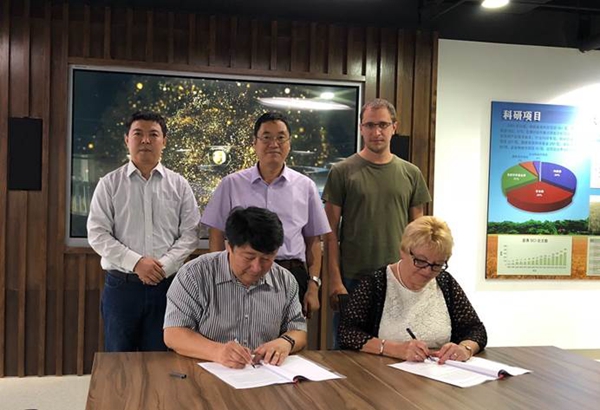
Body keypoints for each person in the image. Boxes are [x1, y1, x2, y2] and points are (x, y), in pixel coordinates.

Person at [87, 111, 200, 352]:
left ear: (164, 141)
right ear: (127, 140)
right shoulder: (109, 184)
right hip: (122, 287)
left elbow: (190, 234)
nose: (146, 140)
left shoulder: (179, 185)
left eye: (153, 134)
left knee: (162, 359)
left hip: (167, 287)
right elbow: (97, 234)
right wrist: (137, 263)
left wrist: (163, 267)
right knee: (119, 359)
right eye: (138, 133)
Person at [201, 112, 331, 318]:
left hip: (291, 274)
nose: (274, 144)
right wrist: (219, 278)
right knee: (239, 332)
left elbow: (313, 241)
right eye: (267, 137)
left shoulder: (305, 186)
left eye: (281, 137)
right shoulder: (231, 183)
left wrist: (313, 285)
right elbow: (216, 234)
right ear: (255, 143)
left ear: (289, 143)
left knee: (288, 335)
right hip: (243, 274)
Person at [323, 98, 432, 311]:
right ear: (361, 128)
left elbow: (418, 234)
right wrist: (335, 280)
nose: (376, 132)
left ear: (394, 127)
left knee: (398, 333)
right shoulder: (341, 172)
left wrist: (417, 276)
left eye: (383, 124)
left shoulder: (411, 173)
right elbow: (330, 232)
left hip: (399, 277)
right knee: (348, 334)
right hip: (353, 279)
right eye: (370, 125)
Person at [164, 207, 307, 368]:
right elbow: (173, 334)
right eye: (249, 257)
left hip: (262, 373)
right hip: (203, 371)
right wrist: (218, 352)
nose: (256, 268)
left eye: (266, 259)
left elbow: (298, 329)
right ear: (229, 247)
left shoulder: (285, 280)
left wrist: (285, 342)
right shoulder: (194, 274)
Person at [338, 216, 487, 364]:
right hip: (383, 372)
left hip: (437, 372)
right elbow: (347, 333)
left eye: (437, 265)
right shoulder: (376, 283)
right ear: (403, 251)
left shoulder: (445, 282)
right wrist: (393, 349)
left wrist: (465, 348)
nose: (428, 271)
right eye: (421, 261)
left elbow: (476, 330)